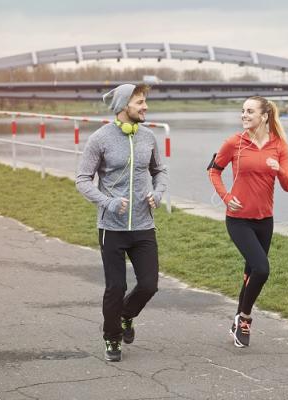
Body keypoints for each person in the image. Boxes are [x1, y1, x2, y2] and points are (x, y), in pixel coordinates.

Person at [76, 83, 168, 362]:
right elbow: (82, 180)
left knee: (149, 285)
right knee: (116, 287)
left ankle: (126, 315)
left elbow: (160, 171)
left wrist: (158, 193)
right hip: (112, 228)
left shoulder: (149, 137)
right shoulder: (100, 139)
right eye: (140, 102)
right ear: (123, 105)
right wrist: (108, 202)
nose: (145, 107)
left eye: (145, 102)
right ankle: (112, 338)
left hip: (143, 226)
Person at [208, 96, 288, 347]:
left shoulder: (279, 146)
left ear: (264, 116)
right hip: (238, 220)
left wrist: (278, 168)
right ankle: (244, 318)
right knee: (262, 268)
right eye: (242, 111)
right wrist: (225, 196)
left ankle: (237, 323)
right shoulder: (234, 143)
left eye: (250, 111)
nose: (244, 115)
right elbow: (214, 170)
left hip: (265, 220)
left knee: (251, 272)